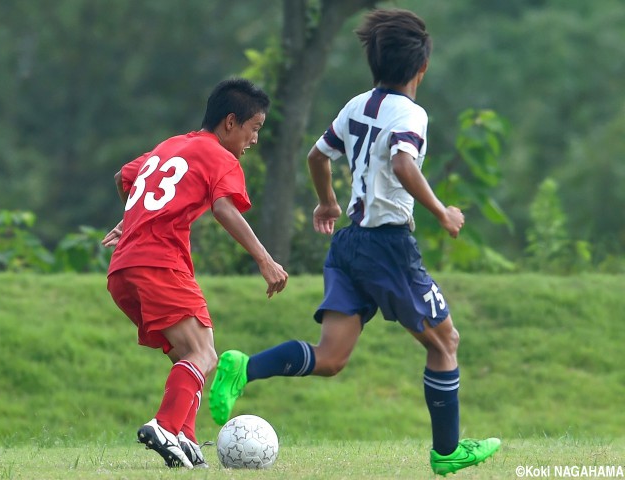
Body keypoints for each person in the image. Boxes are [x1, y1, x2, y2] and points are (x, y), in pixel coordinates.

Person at [208, 9, 500, 476]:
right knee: (445, 342)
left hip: (348, 247)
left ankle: (244, 367)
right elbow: (405, 166)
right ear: (421, 68)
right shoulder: (411, 114)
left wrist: (327, 202)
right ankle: (447, 453)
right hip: (388, 247)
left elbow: (317, 155)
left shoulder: (357, 105)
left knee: (330, 359)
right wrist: (442, 211)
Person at [102, 78, 288, 469]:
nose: (254, 139)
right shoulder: (221, 157)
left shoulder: (171, 145)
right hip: (158, 263)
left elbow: (124, 177)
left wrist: (132, 218)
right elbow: (224, 208)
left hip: (123, 269)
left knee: (196, 354)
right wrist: (264, 260)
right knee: (202, 353)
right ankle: (165, 425)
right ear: (231, 122)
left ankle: (184, 437)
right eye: (254, 128)